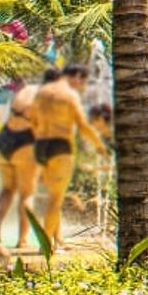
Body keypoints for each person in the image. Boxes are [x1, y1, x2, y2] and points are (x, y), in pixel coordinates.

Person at [30, 64, 107, 245]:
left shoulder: (42, 92)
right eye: (82, 81)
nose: (81, 86)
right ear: (76, 77)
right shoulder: (69, 95)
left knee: (52, 195)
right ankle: (46, 244)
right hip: (60, 147)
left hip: (41, 146)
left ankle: (58, 239)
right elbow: (82, 125)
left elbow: (32, 121)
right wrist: (99, 145)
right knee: (56, 199)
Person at [0, 71, 55, 247]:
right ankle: (22, 240)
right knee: (27, 194)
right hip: (24, 144)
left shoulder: (26, 91)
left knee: (7, 189)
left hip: (4, 140)